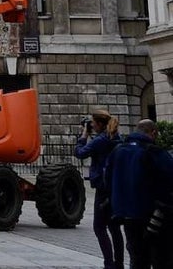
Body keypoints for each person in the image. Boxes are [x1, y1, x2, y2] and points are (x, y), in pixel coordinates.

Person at [106, 119, 173, 269]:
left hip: (128, 216)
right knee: (161, 259)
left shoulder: (117, 151)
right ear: (153, 133)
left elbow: (107, 180)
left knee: (137, 259)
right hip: (154, 217)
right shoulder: (154, 152)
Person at [75, 109, 123, 269]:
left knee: (99, 227)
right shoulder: (116, 137)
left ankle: (109, 264)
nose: (92, 126)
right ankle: (119, 264)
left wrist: (83, 135)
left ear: (100, 124)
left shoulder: (100, 140)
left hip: (103, 188)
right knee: (114, 227)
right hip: (115, 186)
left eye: (93, 123)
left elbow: (80, 153)